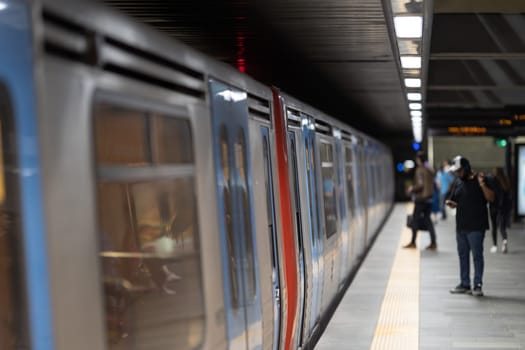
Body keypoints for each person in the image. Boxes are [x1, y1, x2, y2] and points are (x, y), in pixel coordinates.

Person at [446, 155, 495, 297]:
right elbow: (453, 199)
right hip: (461, 227)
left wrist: (482, 185)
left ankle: (478, 285)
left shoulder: (481, 180)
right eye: (456, 172)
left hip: (476, 227)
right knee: (463, 256)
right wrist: (451, 203)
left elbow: (491, 198)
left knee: (477, 256)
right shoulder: (458, 183)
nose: (457, 174)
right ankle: (465, 283)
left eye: (459, 171)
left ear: (466, 169)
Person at [404, 151, 437, 250]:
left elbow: (420, 185)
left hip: (421, 199)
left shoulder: (419, 170)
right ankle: (433, 242)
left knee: (415, 220)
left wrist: (411, 189)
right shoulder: (429, 170)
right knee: (428, 220)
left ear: (418, 160)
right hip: (429, 198)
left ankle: (413, 242)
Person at [488, 167, 512, 254]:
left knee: (494, 226)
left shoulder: (492, 181)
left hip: (493, 207)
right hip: (503, 208)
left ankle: (494, 245)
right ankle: (504, 240)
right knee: (502, 226)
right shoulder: (505, 181)